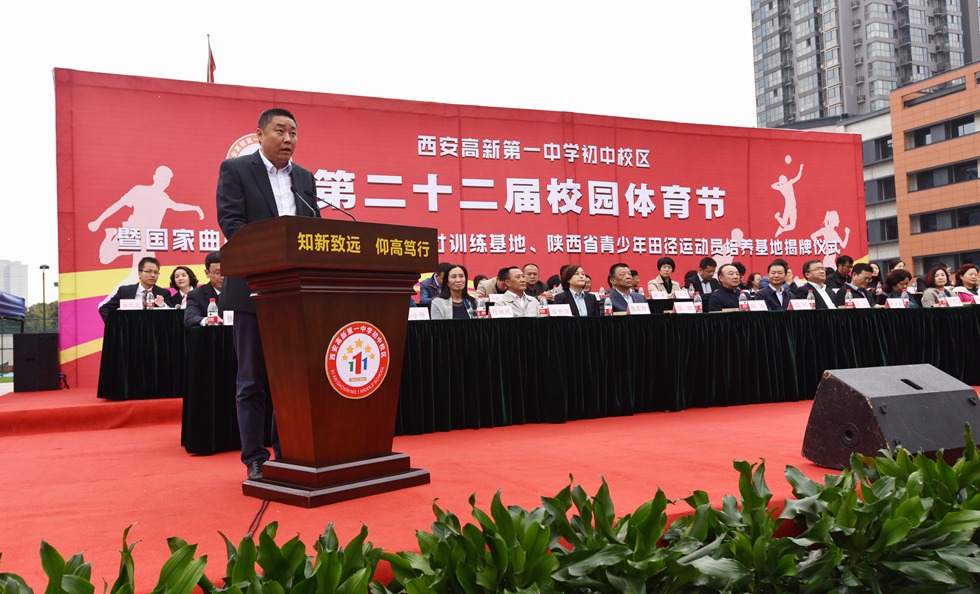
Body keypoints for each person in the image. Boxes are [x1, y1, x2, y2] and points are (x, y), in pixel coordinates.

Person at [216, 108, 320, 481]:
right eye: (280, 130)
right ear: (260, 134)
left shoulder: (304, 178)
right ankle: (255, 457)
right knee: (252, 380)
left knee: (291, 380)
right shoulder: (236, 170)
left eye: (293, 132)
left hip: (295, 295)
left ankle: (288, 449)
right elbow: (232, 224)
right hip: (252, 290)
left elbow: (314, 229)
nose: (288, 138)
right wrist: (274, 252)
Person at [98, 256, 171, 322]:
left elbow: (171, 315)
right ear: (139, 273)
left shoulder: (163, 293)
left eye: (156, 272)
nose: (153, 275)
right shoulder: (125, 291)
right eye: (149, 271)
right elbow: (104, 309)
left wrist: (162, 306)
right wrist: (117, 325)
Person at [184, 251, 224, 327]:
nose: (222, 277)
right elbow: (190, 318)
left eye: (226, 272)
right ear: (207, 273)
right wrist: (206, 320)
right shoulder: (196, 295)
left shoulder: (238, 293)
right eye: (217, 273)